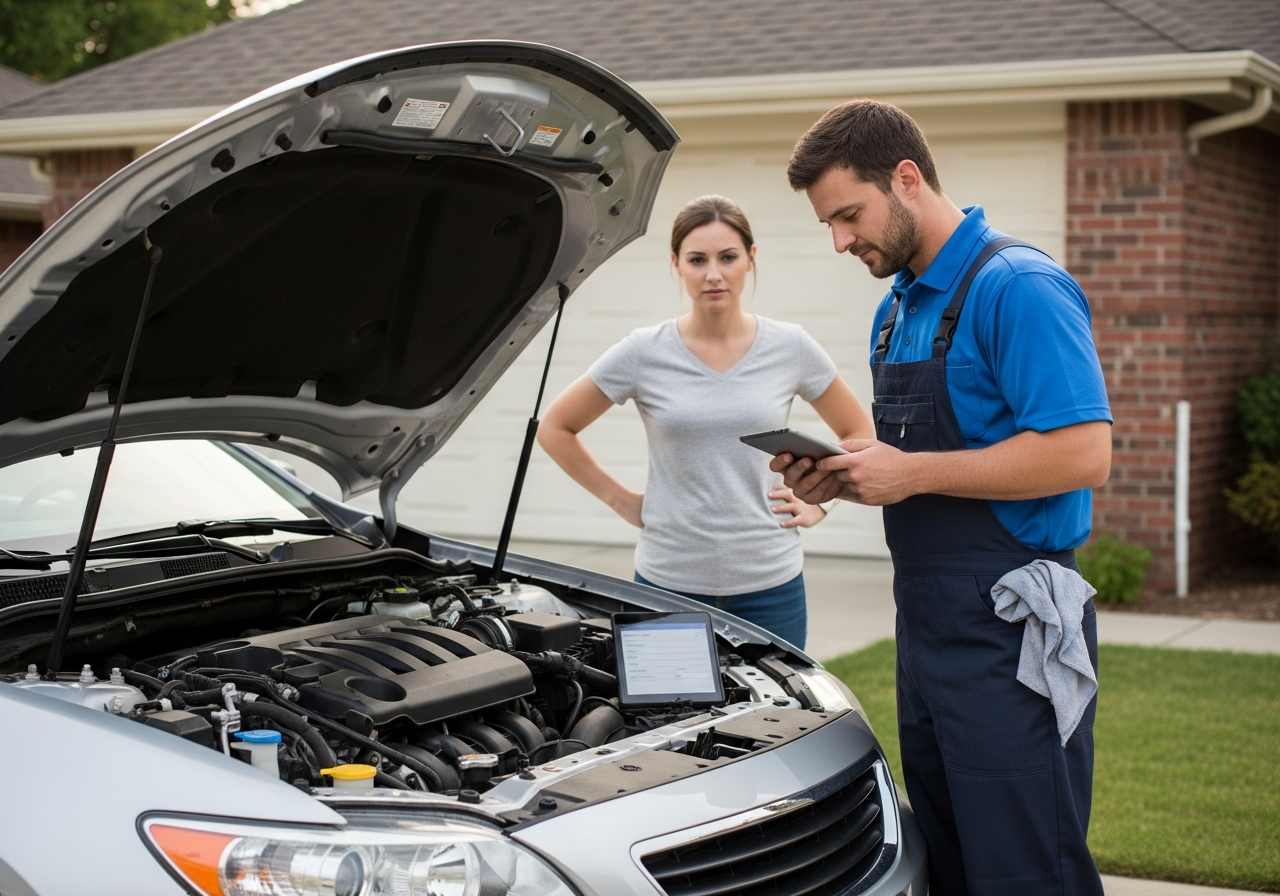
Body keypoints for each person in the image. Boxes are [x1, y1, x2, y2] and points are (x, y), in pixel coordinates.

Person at [774, 100, 1112, 895]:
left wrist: (912, 473)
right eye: (829, 223)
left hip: (1011, 635)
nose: (841, 240)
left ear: (906, 178)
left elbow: (1084, 453)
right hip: (926, 632)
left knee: (1029, 868)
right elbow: (917, 463)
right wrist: (849, 477)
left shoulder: (1019, 286)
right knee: (950, 861)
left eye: (849, 216)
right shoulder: (894, 314)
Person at [538, 195, 873, 649]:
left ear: (751, 259)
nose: (713, 274)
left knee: (781, 720)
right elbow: (555, 427)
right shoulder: (644, 351)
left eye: (728, 257)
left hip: (771, 585)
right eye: (697, 259)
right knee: (663, 716)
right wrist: (621, 501)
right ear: (676, 263)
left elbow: (858, 433)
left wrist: (821, 504)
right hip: (667, 583)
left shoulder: (790, 347)